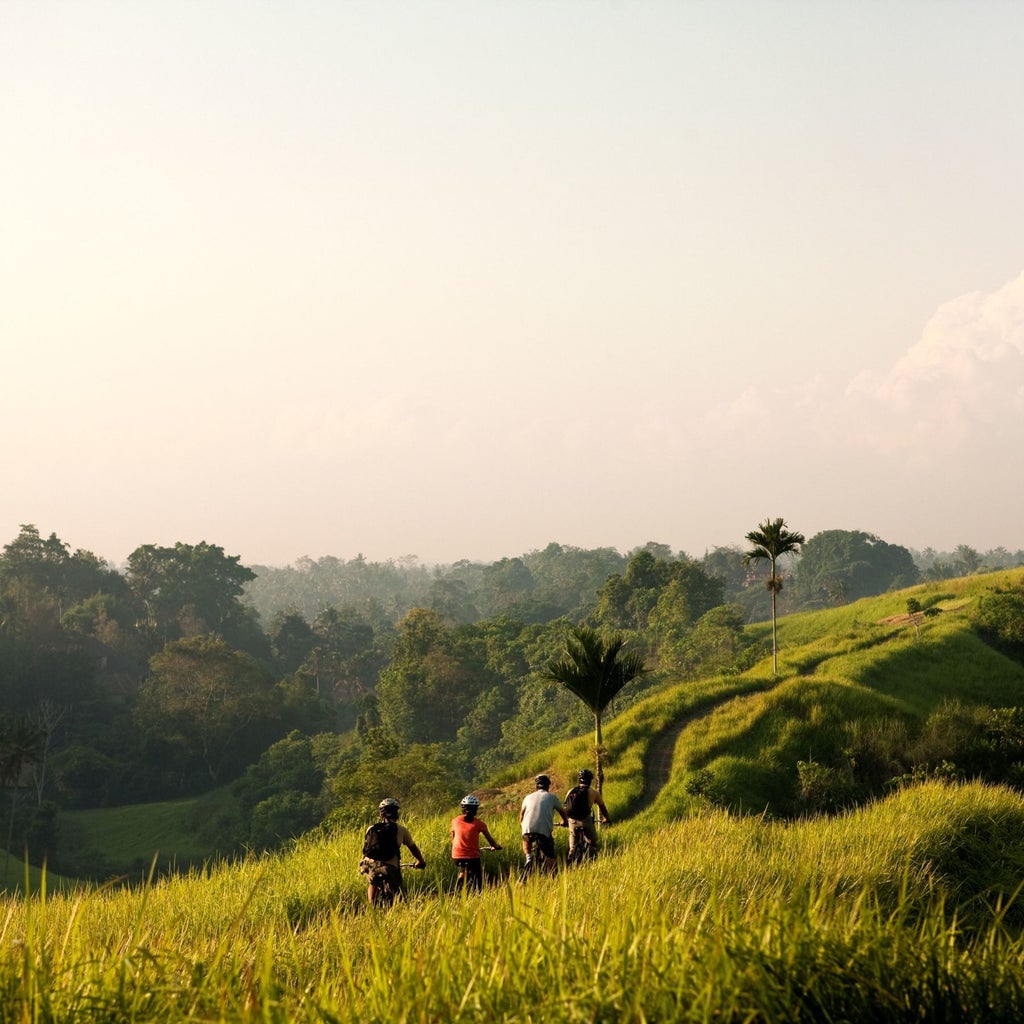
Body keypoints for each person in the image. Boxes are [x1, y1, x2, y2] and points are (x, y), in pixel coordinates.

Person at [360, 797, 426, 906]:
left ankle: (371, 906)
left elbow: (367, 849)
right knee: (397, 894)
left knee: (373, 883)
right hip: (390, 868)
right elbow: (413, 848)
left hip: (370, 865)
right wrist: (420, 861)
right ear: (396, 814)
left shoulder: (371, 829)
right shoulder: (401, 830)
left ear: (381, 814)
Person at [449, 794, 501, 891]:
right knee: (478, 880)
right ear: (475, 810)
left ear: (463, 808)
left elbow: (453, 838)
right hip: (471, 856)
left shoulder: (455, 821)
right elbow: (490, 840)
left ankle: (458, 887)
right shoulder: (479, 824)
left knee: (464, 869)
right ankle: (476, 894)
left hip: (456, 855)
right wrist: (496, 846)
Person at [519, 774, 568, 874]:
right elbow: (562, 811)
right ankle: (553, 875)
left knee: (526, 840)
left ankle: (528, 857)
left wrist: (524, 826)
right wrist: (565, 822)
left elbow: (521, 815)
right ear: (548, 787)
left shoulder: (528, 797)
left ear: (536, 786)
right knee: (549, 853)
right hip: (543, 830)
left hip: (527, 827)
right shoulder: (552, 797)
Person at [563, 768, 610, 863]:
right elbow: (602, 807)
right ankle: (593, 861)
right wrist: (606, 818)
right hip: (585, 820)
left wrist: (565, 820)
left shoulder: (571, 791)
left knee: (572, 844)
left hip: (572, 821)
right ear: (590, 780)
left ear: (579, 780)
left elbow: (565, 807)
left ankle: (570, 857)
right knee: (592, 842)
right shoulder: (594, 792)